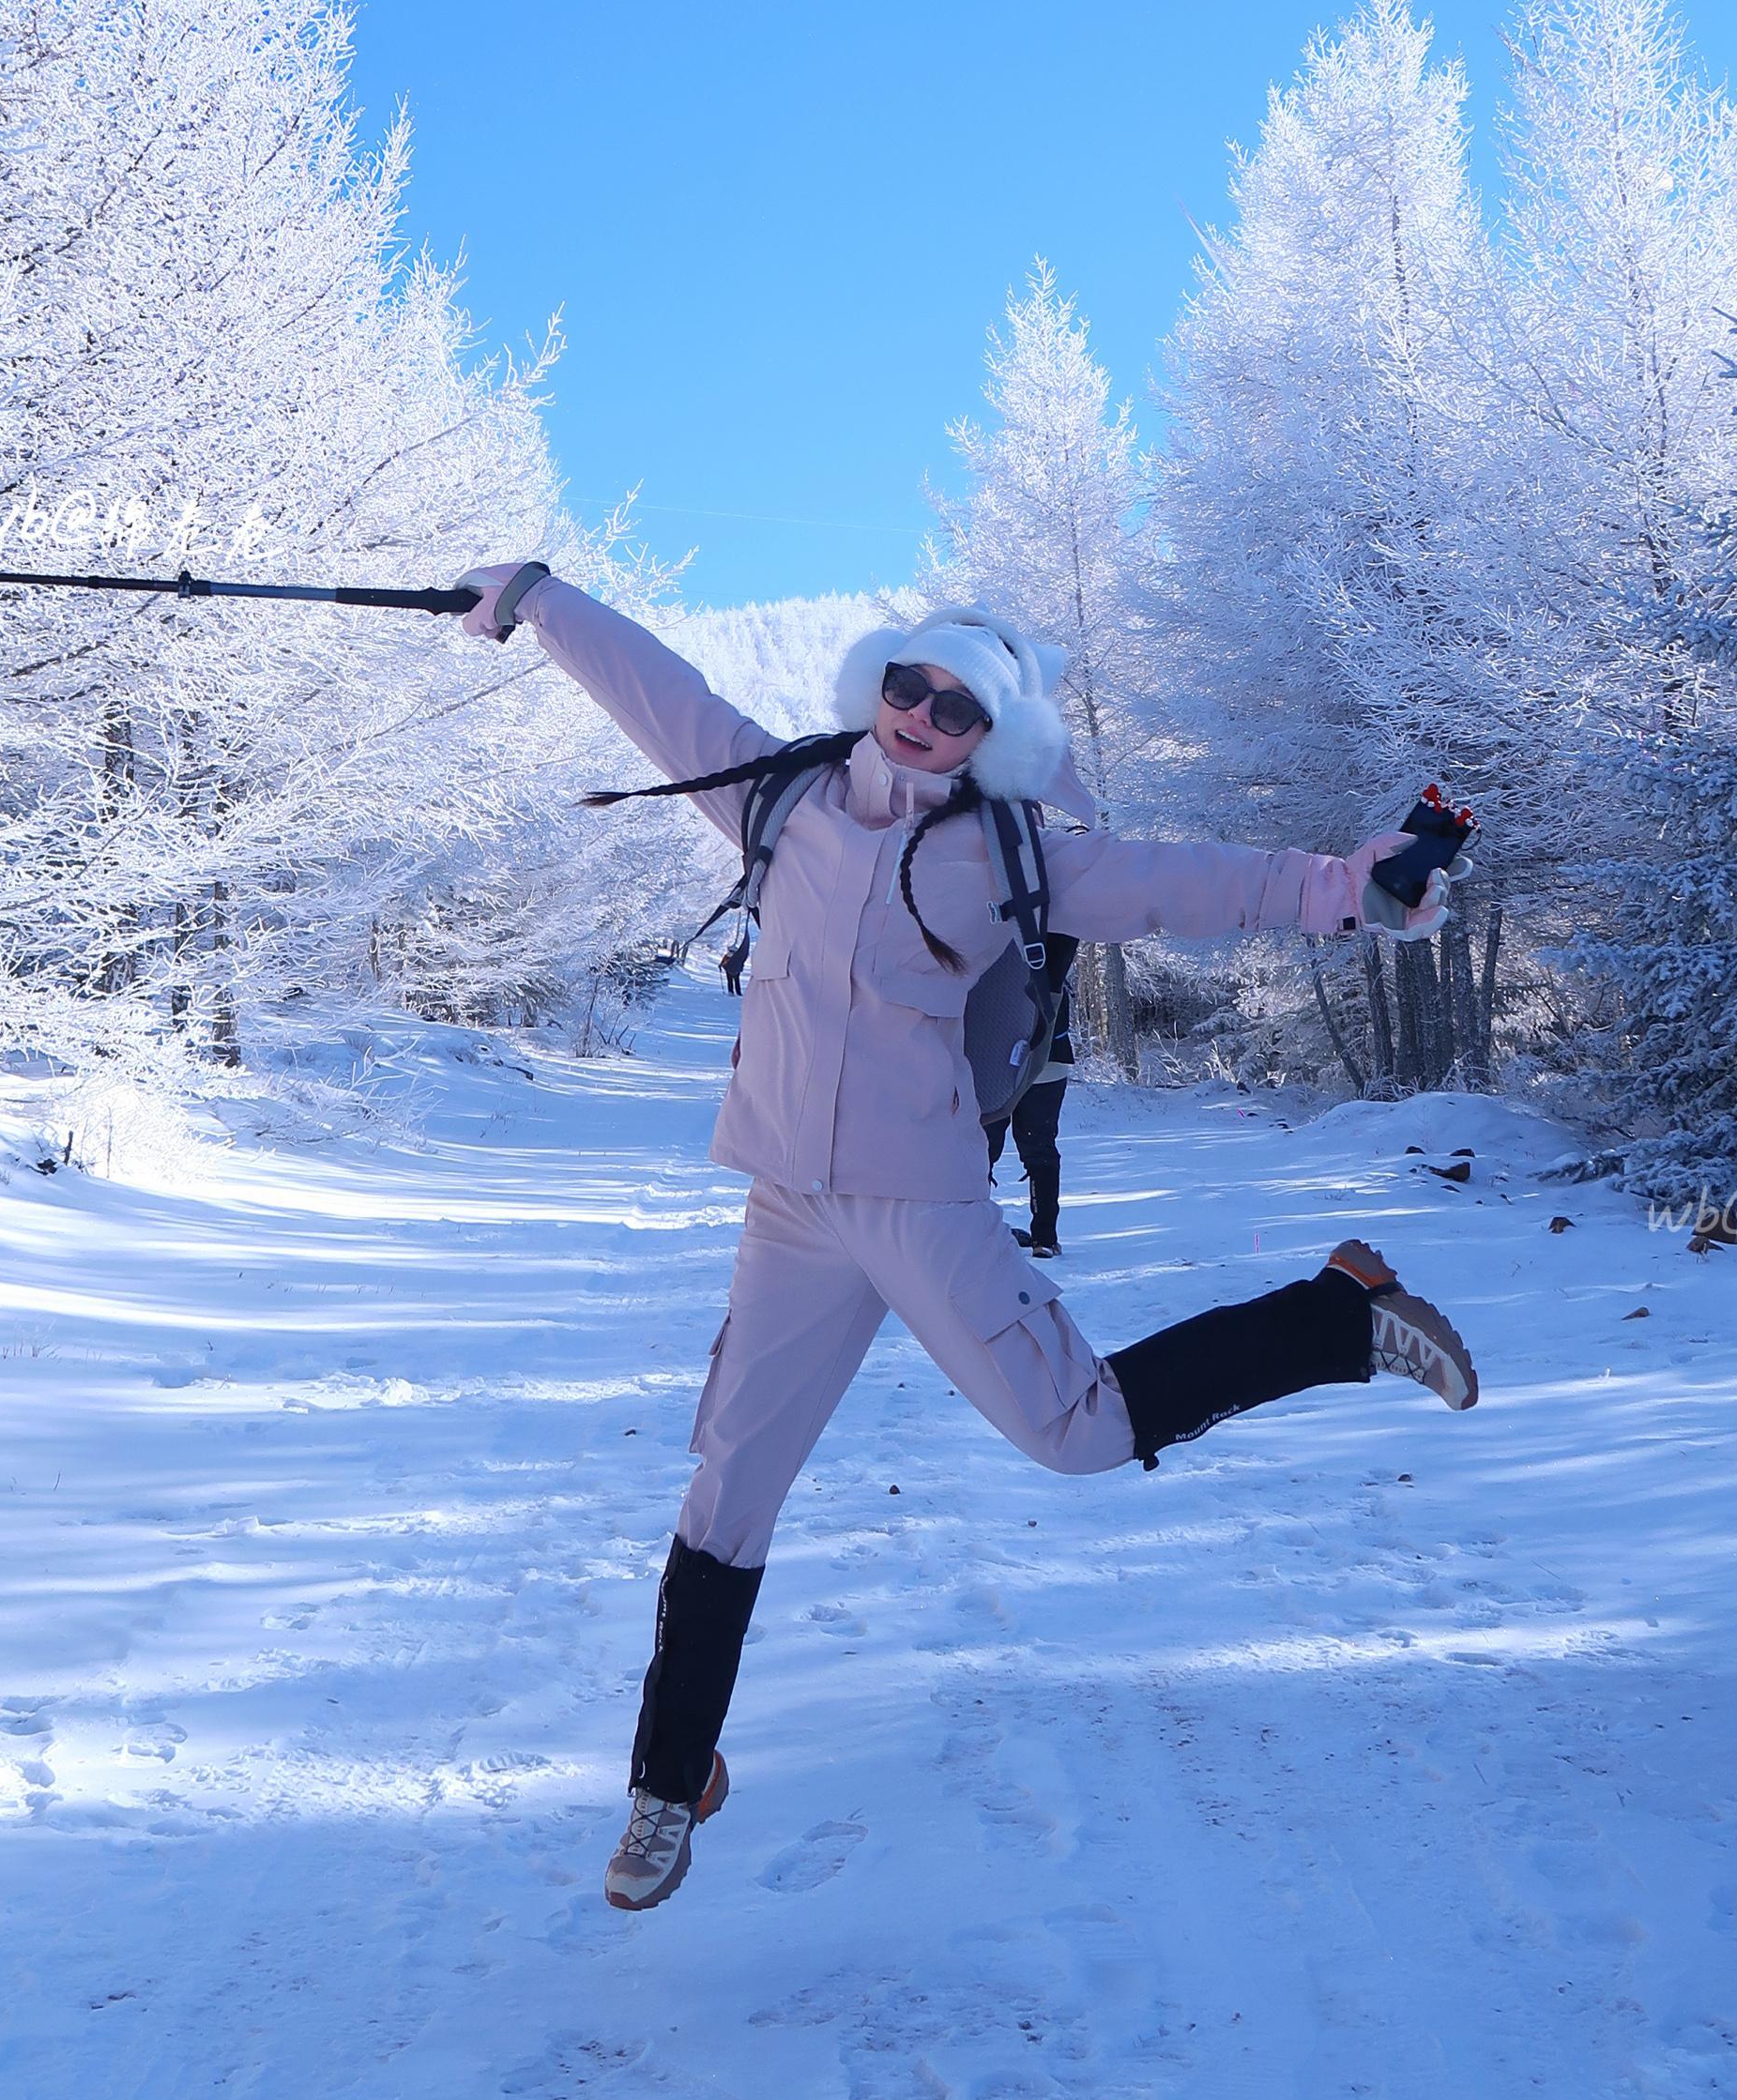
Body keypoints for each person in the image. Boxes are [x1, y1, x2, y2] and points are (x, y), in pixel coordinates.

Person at [454, 564, 1477, 1914]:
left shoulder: (1014, 858)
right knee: (727, 1489)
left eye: (958, 706)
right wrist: (535, 595)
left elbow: (1192, 885)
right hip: (786, 1204)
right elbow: (657, 690)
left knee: (1078, 1436)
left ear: (996, 737)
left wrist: (1354, 890)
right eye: (906, 685)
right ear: (872, 682)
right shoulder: (776, 796)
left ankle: (1336, 1316)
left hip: (917, 1199)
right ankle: (667, 1778)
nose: (922, 716)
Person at [988, 930, 1075, 1255]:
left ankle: (975, 1230)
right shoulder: (1060, 932)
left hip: (993, 1060)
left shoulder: (989, 935)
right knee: (1040, 1148)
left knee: (980, 1148)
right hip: (1048, 1055)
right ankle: (1044, 1237)